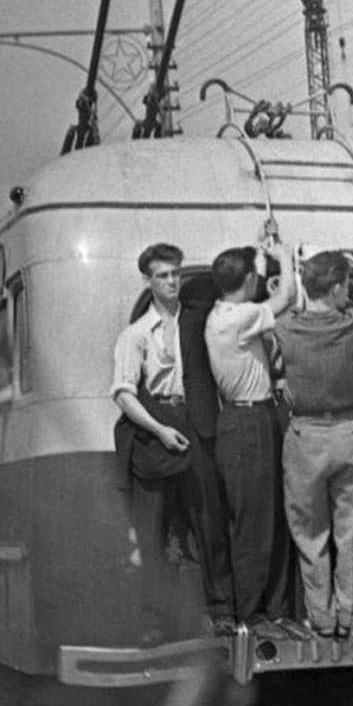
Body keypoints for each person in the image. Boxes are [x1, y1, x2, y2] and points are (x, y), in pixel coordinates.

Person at [111, 242, 235, 636]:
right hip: (153, 433)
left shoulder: (197, 320)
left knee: (209, 522)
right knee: (153, 533)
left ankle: (221, 611)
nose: (171, 282)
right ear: (147, 280)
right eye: (162, 276)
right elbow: (123, 393)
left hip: (197, 426)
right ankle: (154, 622)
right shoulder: (134, 335)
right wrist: (160, 430)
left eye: (175, 274)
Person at [205, 243, 306, 638]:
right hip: (249, 421)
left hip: (251, 417)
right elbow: (287, 296)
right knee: (253, 522)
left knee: (269, 517)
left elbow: (263, 295)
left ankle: (272, 607)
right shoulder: (239, 317)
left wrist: (258, 260)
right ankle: (252, 612)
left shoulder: (223, 313)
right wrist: (282, 252)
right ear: (248, 280)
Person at [273, 250, 353, 640]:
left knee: (309, 531)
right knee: (352, 529)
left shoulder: (286, 328)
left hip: (305, 435)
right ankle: (350, 617)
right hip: (351, 432)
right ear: (335, 288)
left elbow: (291, 307)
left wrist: (291, 266)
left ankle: (322, 616)